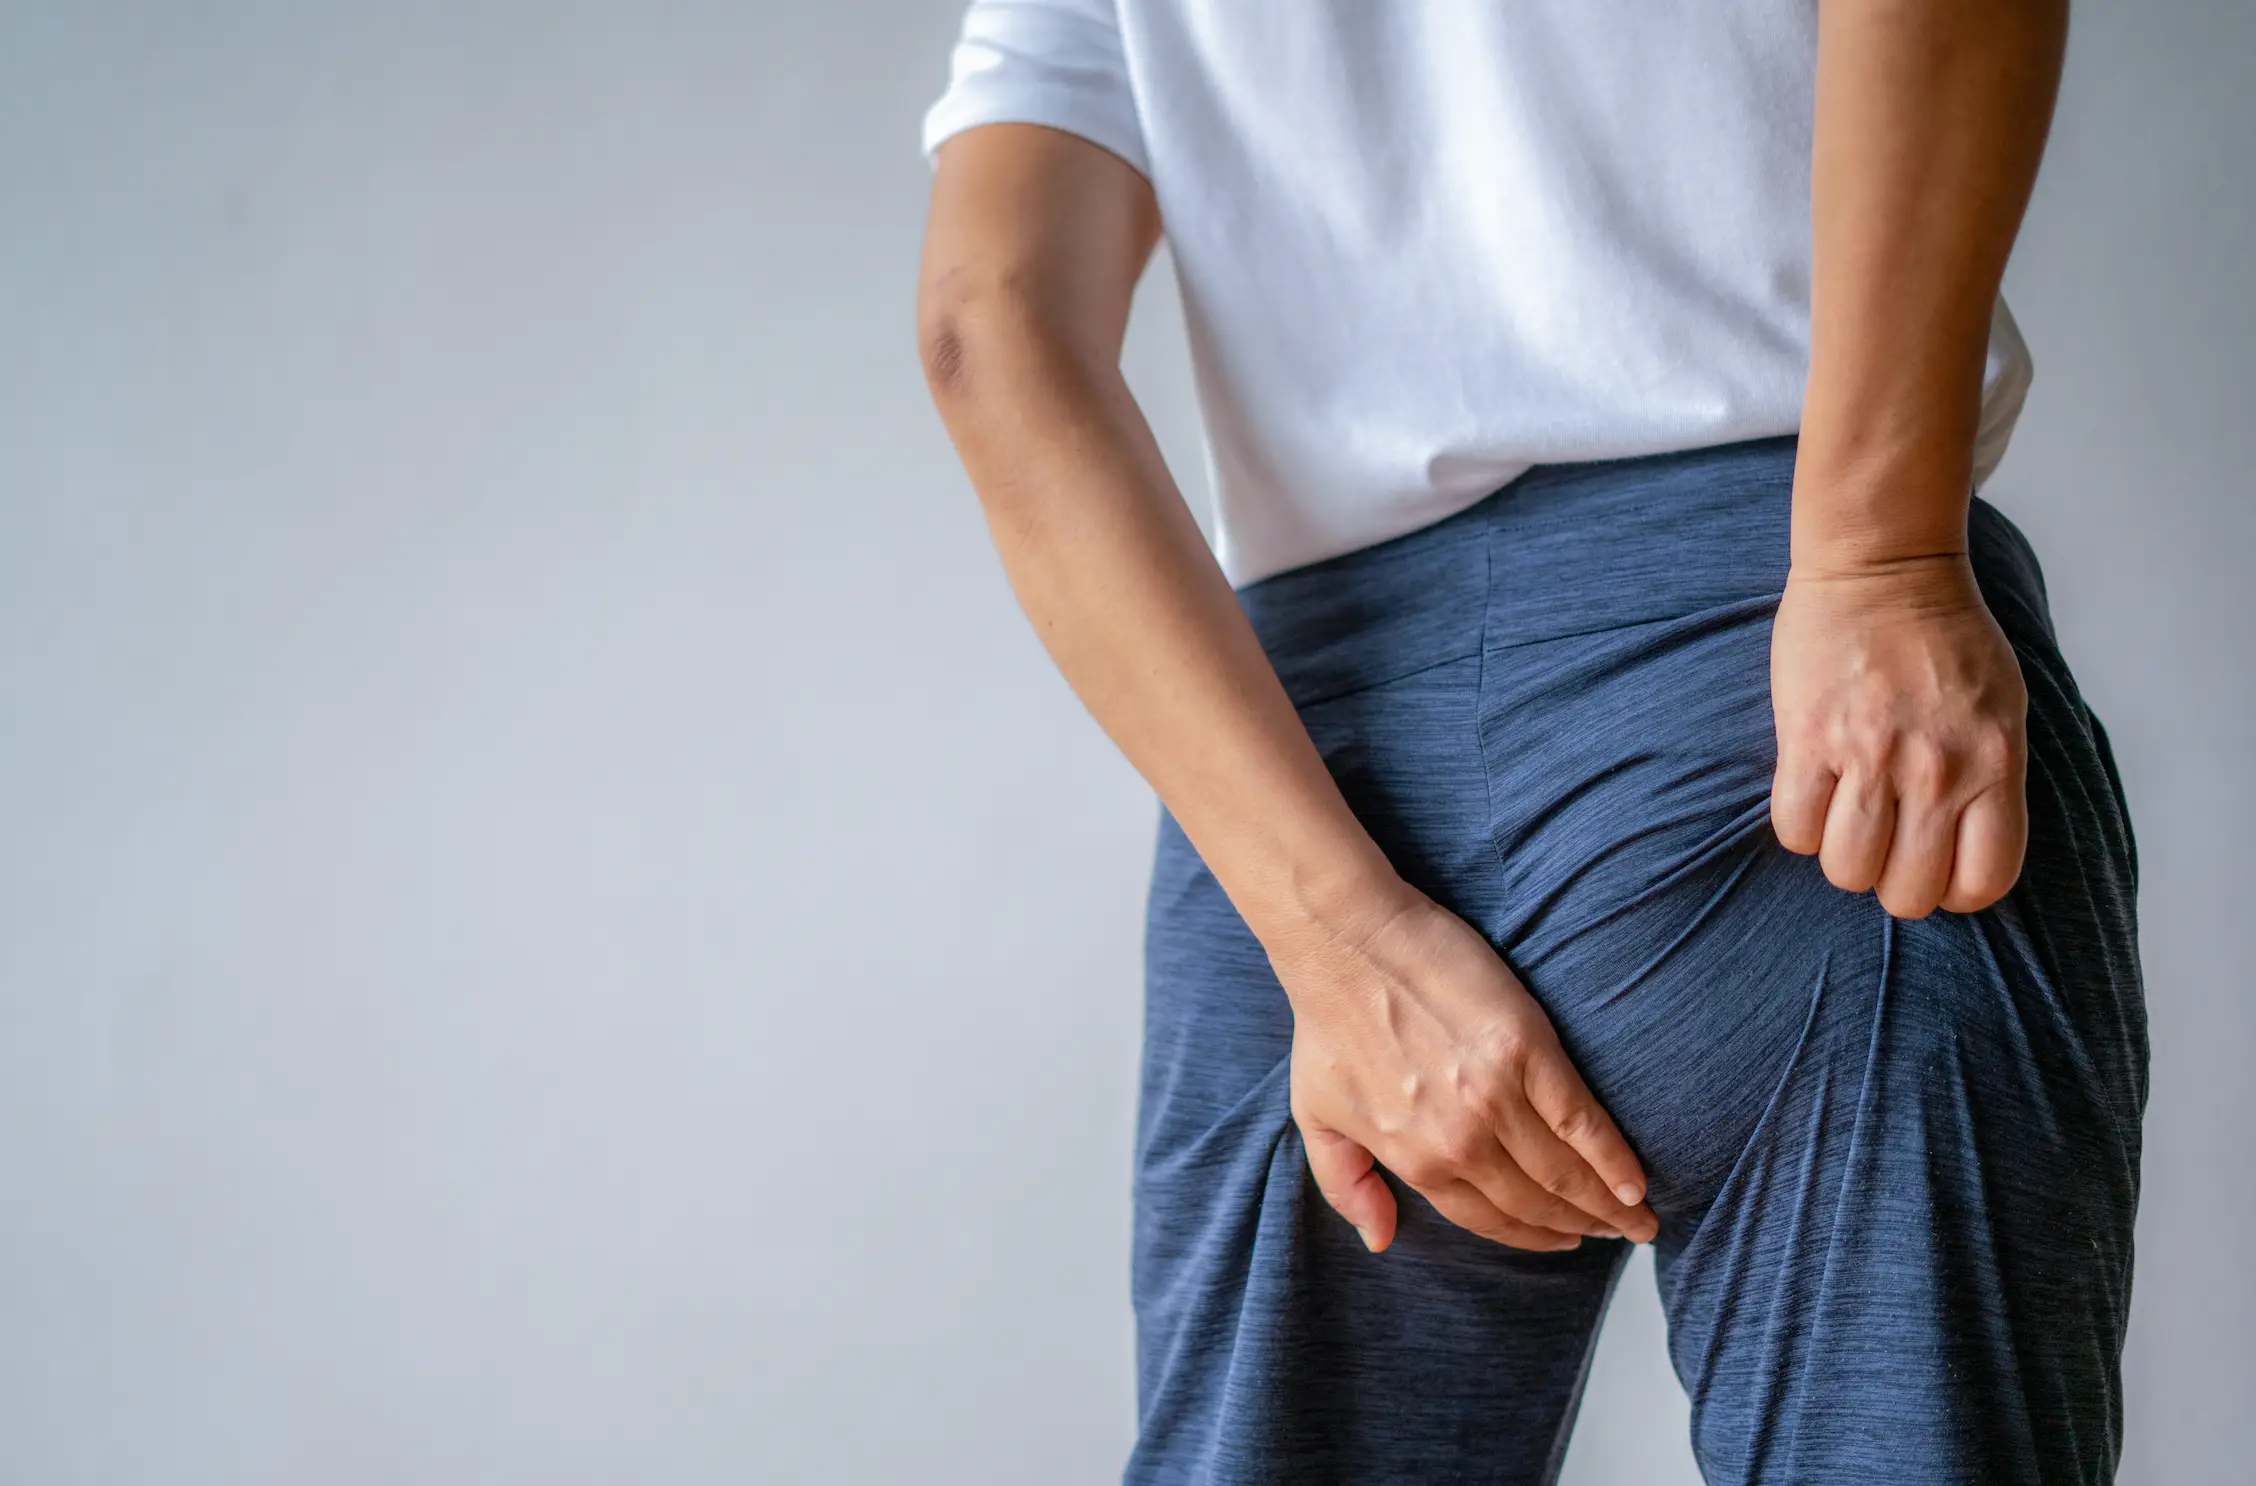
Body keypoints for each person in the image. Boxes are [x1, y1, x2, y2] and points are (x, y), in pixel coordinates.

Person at [912, 2, 2145, 1482]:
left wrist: (1339, 936)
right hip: (1793, 695)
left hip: (1306, 792)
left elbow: (988, 320)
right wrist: (1877, 557)